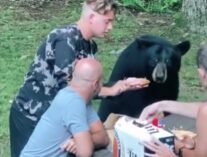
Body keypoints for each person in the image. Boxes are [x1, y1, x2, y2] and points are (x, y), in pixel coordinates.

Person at [9, 0, 144, 156]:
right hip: (31, 115)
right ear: (92, 17)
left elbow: (87, 84)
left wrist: (120, 85)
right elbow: (70, 87)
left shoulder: (89, 46)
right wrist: (111, 91)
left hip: (59, 118)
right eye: (107, 21)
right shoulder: (64, 39)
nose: (110, 27)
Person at [20, 58, 108, 157]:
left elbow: (103, 137)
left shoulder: (80, 99)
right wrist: (83, 143)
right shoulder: (73, 103)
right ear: (95, 84)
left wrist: (78, 141)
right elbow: (85, 153)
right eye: (102, 81)